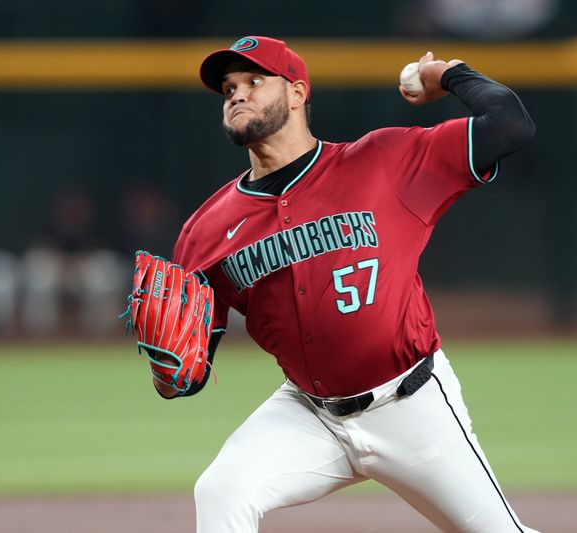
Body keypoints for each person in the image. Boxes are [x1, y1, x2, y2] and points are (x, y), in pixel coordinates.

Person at [162, 35, 538, 532]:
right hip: (307, 413)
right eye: (229, 87)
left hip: (411, 407)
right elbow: (187, 368)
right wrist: (170, 371)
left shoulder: (384, 160)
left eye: (255, 81)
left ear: (297, 93)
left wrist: (448, 74)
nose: (237, 95)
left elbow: (511, 125)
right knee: (221, 490)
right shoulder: (205, 229)